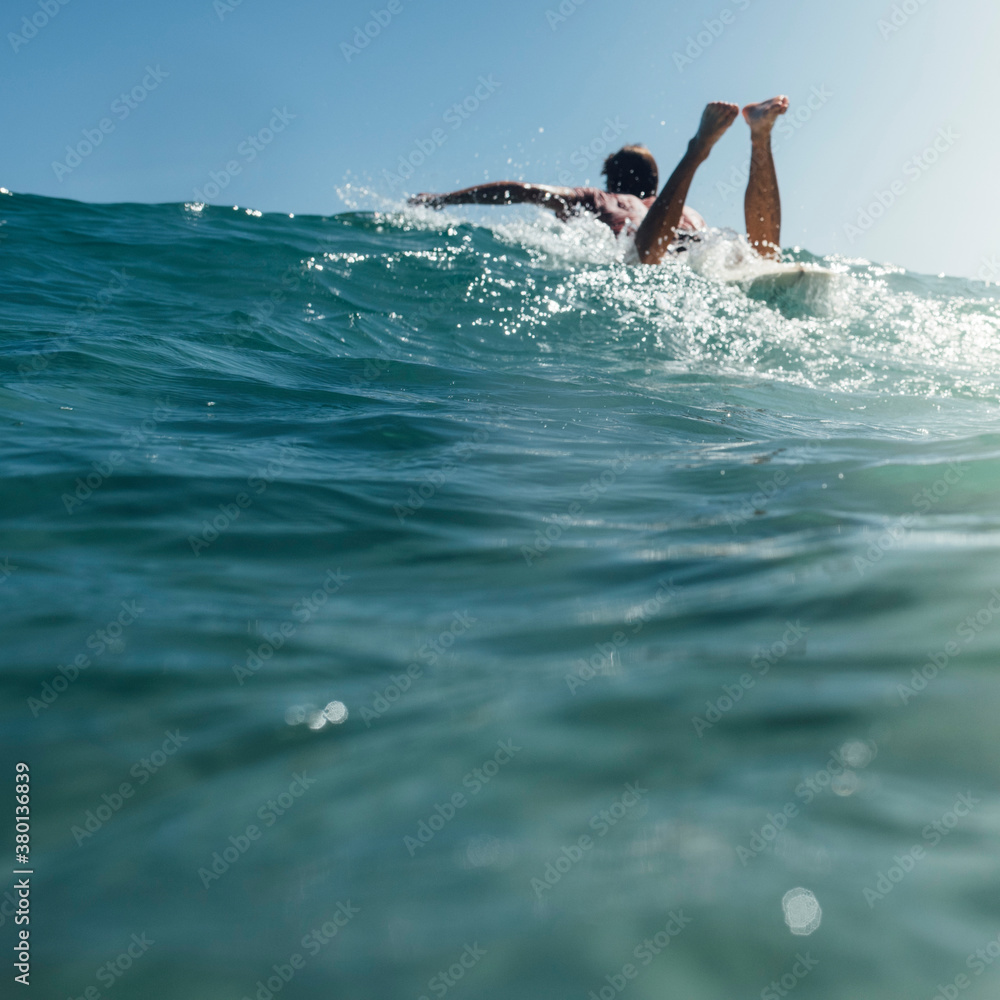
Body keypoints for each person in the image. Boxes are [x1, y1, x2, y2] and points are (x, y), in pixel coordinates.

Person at [409, 97, 789, 265]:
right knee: (765, 255)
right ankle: (760, 135)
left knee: (648, 257)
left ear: (612, 176)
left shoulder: (600, 198)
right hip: (697, 253)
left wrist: (444, 199)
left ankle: (699, 150)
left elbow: (520, 191)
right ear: (656, 181)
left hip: (656, 253)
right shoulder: (684, 210)